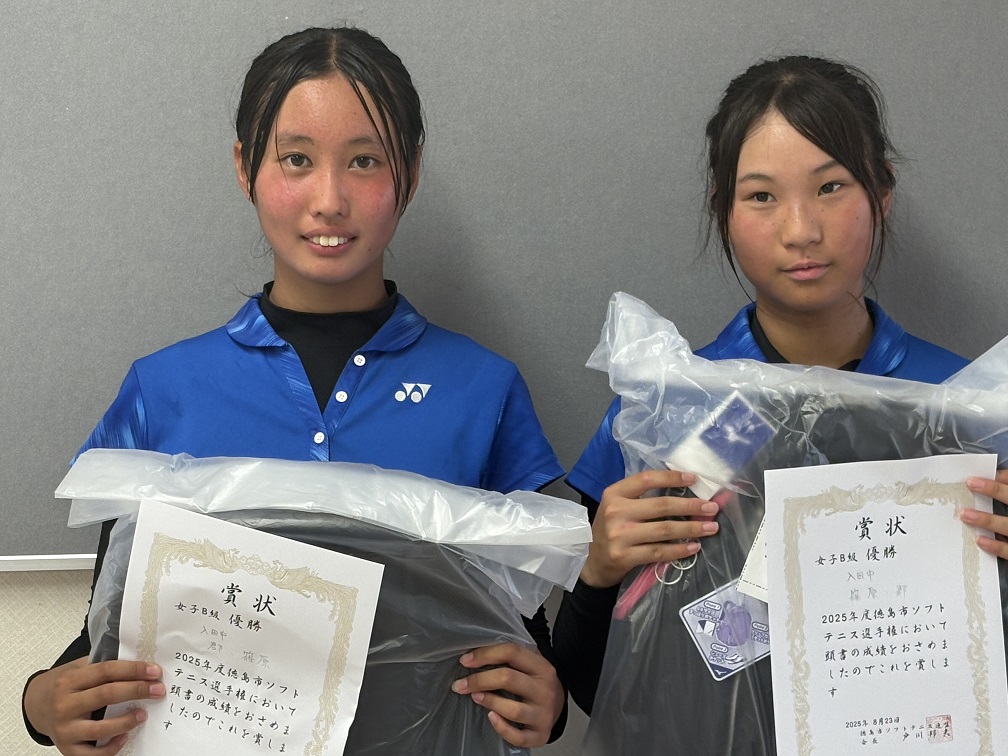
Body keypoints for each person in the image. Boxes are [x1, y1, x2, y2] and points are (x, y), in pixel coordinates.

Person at [22, 26, 566, 754]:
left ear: (410, 171)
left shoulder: (483, 389)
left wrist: (549, 701)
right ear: (245, 167)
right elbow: (110, 626)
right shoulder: (165, 388)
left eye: (365, 160)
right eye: (297, 160)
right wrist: (41, 702)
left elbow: (521, 632)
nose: (329, 199)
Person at [552, 54, 971, 744]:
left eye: (831, 186)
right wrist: (599, 573)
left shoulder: (961, 410)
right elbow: (599, 690)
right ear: (722, 208)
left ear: (882, 192)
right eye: (762, 196)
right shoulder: (673, 418)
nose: (801, 229)